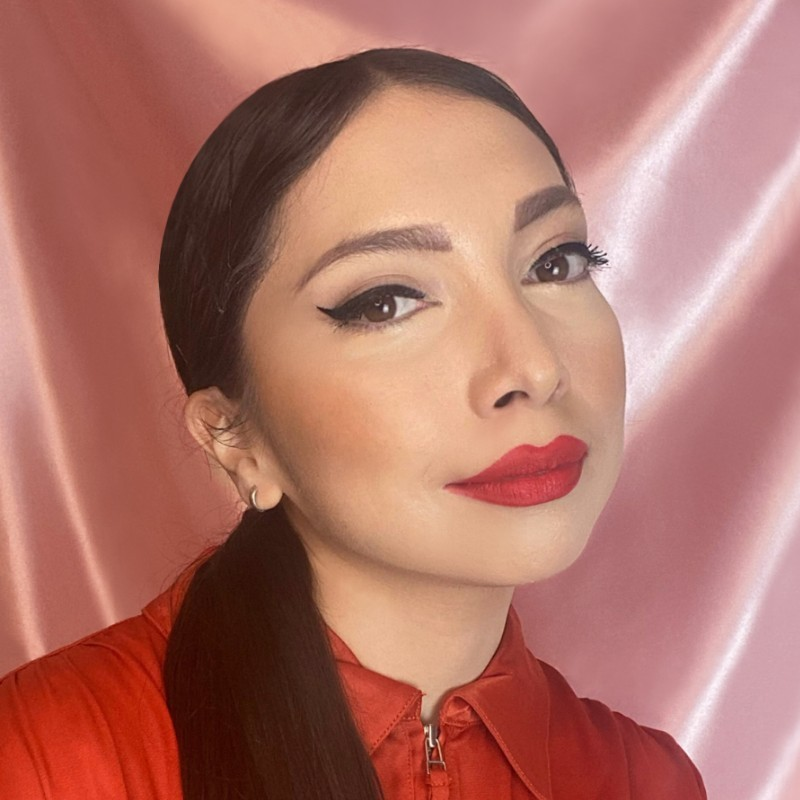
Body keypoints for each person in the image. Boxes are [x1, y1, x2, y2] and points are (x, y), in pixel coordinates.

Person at [0, 47, 707, 799]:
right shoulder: (42, 760)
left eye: (555, 262)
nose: (533, 367)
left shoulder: (646, 780)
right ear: (233, 435)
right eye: (386, 302)